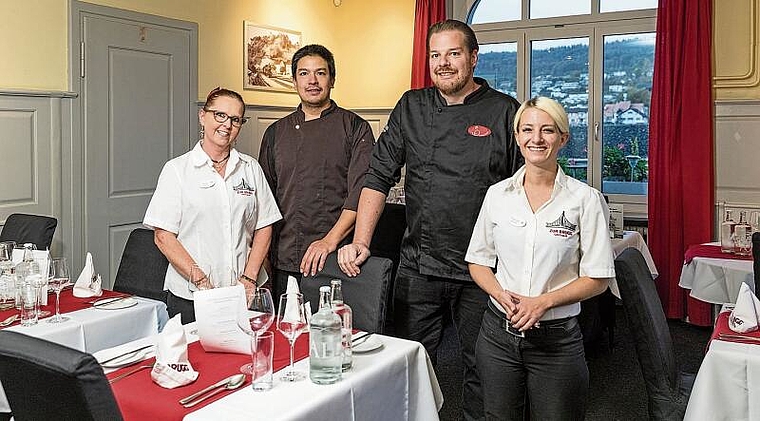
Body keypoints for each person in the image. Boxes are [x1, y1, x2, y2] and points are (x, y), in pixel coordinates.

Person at [337, 20, 523, 420]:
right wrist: (362, 241)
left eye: (453, 54)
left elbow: (524, 190)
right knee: (410, 362)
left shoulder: (505, 111)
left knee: (484, 368)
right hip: (420, 265)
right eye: (435, 55)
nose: (443, 63)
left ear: (473, 57)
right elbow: (378, 176)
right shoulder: (411, 106)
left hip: (483, 269)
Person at [465, 96, 615, 420]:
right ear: (517, 136)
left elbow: (599, 277)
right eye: (528, 129)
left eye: (548, 130)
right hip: (497, 335)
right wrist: (499, 294)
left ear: (563, 137)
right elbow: (477, 261)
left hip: (557, 342)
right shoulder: (497, 195)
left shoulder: (585, 200)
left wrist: (543, 302)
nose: (536, 138)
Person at [144, 87, 282, 324]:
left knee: (250, 357)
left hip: (245, 294)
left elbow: (264, 225)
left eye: (235, 120)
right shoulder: (177, 170)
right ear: (202, 116)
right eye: (220, 115)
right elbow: (163, 236)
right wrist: (201, 282)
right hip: (193, 297)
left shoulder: (251, 168)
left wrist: (249, 280)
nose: (226, 125)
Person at [258, 44, 374, 302]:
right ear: (294, 81)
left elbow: (361, 192)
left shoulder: (355, 128)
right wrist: (262, 256)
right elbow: (264, 200)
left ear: (332, 79)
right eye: (303, 73)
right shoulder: (276, 132)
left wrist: (329, 242)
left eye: (320, 73)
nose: (312, 81)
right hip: (285, 257)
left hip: (336, 258)